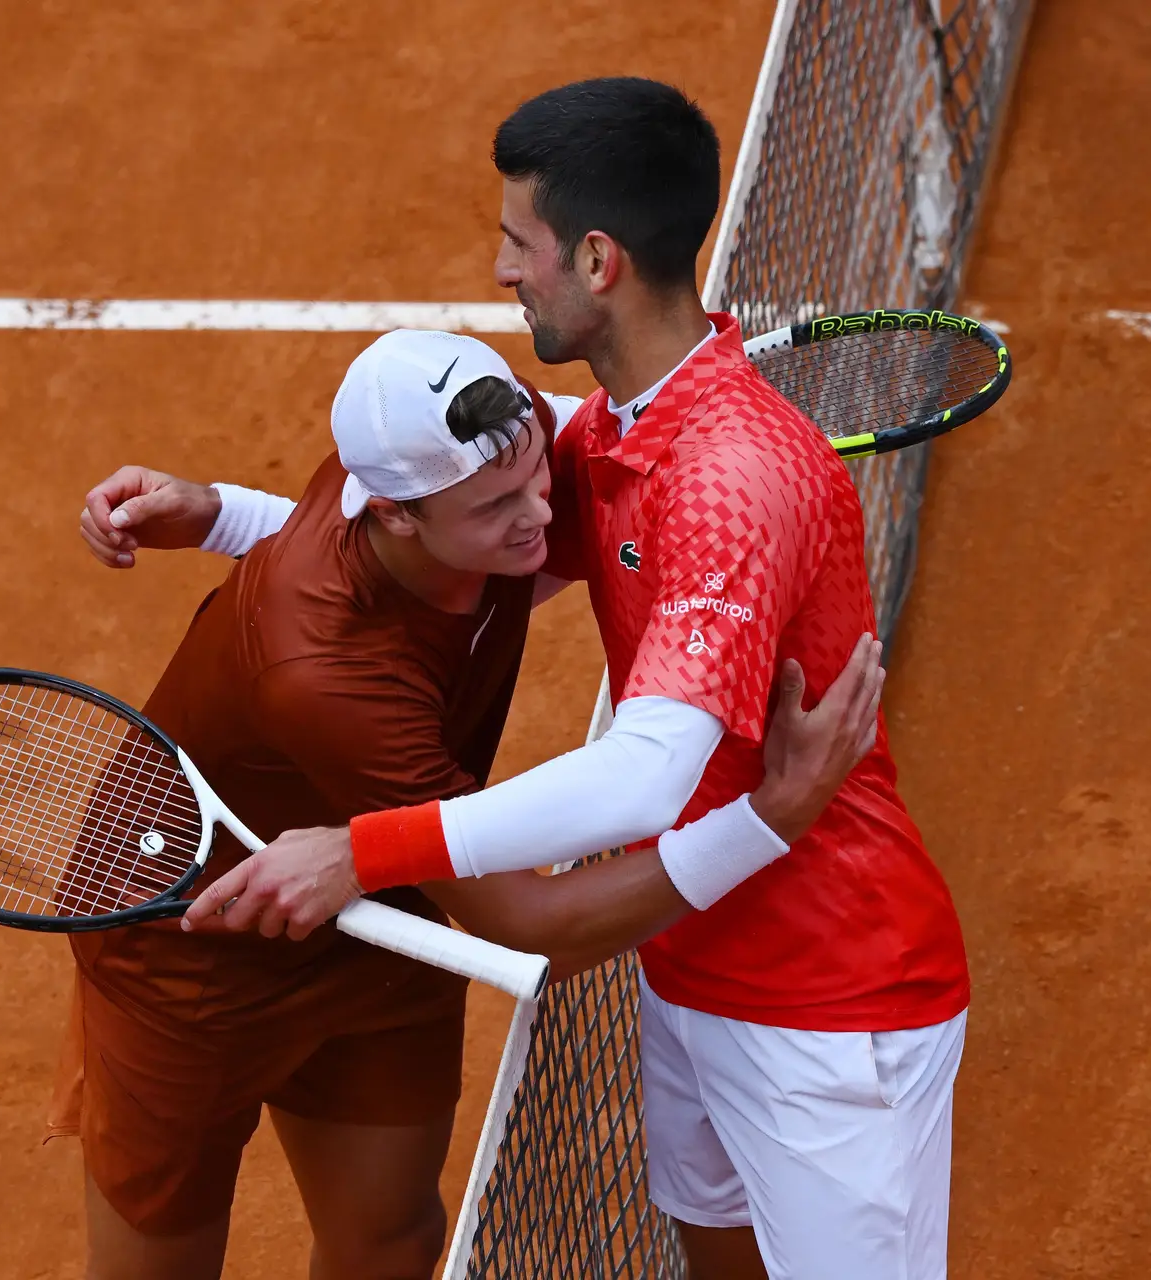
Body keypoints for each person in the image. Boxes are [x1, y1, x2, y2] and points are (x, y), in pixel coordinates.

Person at [196, 78, 972, 1280]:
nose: (503, 267)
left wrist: (366, 847)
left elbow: (650, 775)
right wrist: (217, 517)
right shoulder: (610, 432)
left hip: (833, 1004)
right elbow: (433, 533)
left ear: (597, 259)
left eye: (520, 241)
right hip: (689, 962)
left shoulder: (725, 481)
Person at [56, 326, 887, 1280]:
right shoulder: (322, 674)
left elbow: (372, 553)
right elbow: (532, 930)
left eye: (537, 475)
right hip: (192, 965)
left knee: (393, 1246)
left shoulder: (471, 440)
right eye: (498, 507)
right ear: (397, 514)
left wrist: (222, 513)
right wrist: (766, 821)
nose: (542, 514)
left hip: (383, 916)